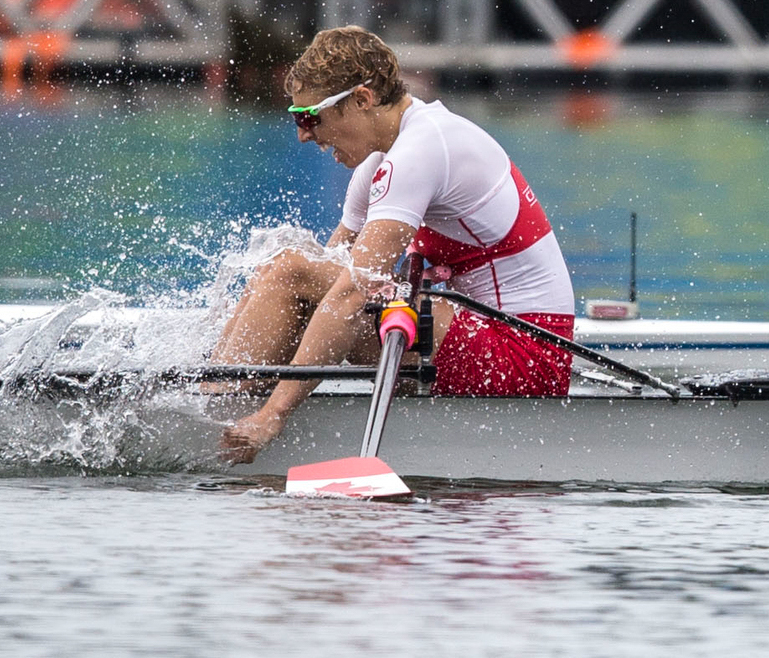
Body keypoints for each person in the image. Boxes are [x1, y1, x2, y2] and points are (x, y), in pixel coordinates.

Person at [214, 26, 576, 462]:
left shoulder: (422, 149)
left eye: (310, 117)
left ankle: (220, 408)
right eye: (297, 117)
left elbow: (350, 294)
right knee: (278, 270)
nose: (303, 135)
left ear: (362, 100)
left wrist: (275, 414)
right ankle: (212, 388)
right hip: (476, 335)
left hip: (526, 353)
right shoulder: (377, 164)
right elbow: (324, 277)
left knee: (294, 271)